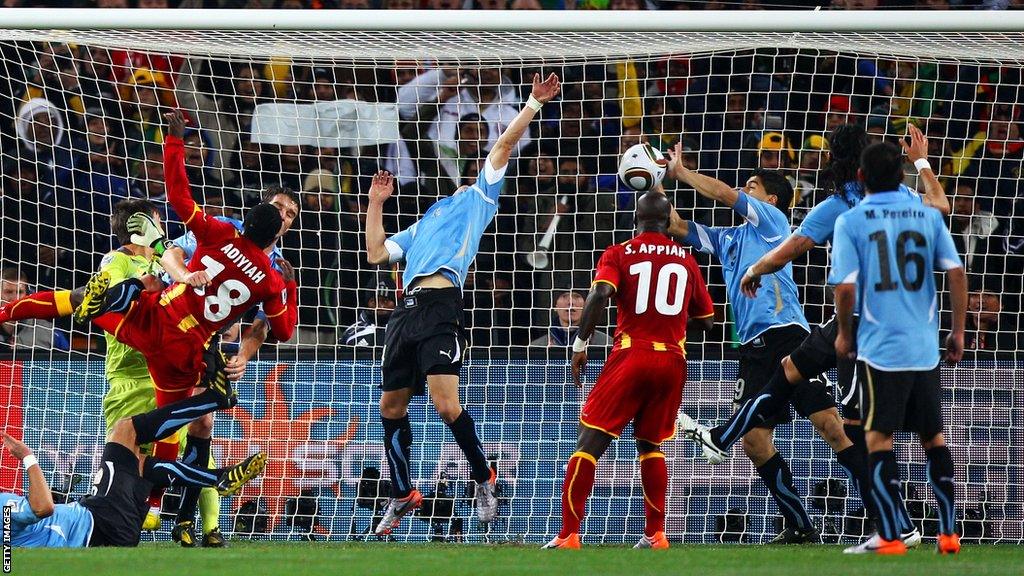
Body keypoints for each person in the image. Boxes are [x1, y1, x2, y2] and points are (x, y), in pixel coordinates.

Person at [679, 123, 949, 552]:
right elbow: (942, 206)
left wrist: (755, 269)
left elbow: (794, 248)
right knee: (804, 406)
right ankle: (743, 455)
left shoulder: (827, 207)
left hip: (848, 324)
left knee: (847, 428)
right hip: (905, 324)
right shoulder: (905, 199)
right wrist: (921, 160)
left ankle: (898, 524)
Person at [364, 72, 560, 535]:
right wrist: (376, 202)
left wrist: (530, 103)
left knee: (445, 405)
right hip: (404, 312)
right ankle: (402, 492)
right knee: (391, 408)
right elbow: (375, 253)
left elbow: (502, 149)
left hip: (441, 306)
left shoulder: (478, 197)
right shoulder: (424, 219)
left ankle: (484, 476)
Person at [668, 154, 863, 545]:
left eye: (752, 186)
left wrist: (683, 172)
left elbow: (725, 194)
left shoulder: (774, 224)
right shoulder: (728, 240)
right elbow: (675, 225)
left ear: (770, 200)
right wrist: (655, 180)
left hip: (788, 336)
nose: (744, 190)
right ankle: (800, 526)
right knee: (755, 442)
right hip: (752, 348)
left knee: (830, 427)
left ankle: (886, 512)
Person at [543, 191, 714, 550]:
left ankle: (568, 535)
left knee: (589, 442)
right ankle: (656, 535)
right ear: (669, 223)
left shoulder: (619, 253)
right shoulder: (686, 260)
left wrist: (579, 344)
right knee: (651, 446)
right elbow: (708, 320)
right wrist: (670, 323)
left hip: (631, 353)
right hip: (671, 360)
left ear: (635, 220)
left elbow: (599, 294)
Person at [830, 140, 966, 555]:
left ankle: (890, 535)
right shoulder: (927, 216)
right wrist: (957, 331)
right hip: (925, 347)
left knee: (877, 440)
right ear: (902, 175)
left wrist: (844, 334)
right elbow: (957, 273)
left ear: (860, 177)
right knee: (934, 439)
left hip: (880, 348)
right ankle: (948, 534)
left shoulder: (852, 221)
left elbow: (846, 286)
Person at [0, 376, 265, 548]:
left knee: (140, 464)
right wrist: (28, 457)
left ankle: (216, 479)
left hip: (113, 530)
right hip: (99, 520)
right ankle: (214, 400)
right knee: (126, 430)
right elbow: (43, 508)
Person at [0, 268, 69, 351]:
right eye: (9, 292)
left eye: (20, 292)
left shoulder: (48, 331)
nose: (15, 298)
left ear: (27, 295)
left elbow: (68, 361)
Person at [529, 290, 611, 348]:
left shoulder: (607, 343)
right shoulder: (536, 346)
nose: (571, 302)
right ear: (555, 306)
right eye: (564, 296)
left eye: (577, 296)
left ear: (586, 305)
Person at [340, 276, 396, 348]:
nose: (381, 306)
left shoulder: (404, 328)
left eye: (385, 301)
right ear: (367, 303)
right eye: (374, 301)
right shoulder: (352, 334)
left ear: (395, 302)